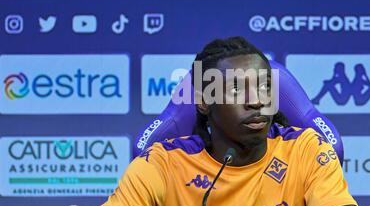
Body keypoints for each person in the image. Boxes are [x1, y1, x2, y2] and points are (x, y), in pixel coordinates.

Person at [93, 37, 360, 206]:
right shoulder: (162, 164)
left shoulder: (307, 150)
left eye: (265, 86)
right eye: (235, 89)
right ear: (204, 102)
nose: (256, 100)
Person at [134, 60, 345, 163]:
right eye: (235, 90)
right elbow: (143, 147)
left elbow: (332, 145)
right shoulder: (199, 82)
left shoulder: (278, 80)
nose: (253, 101)